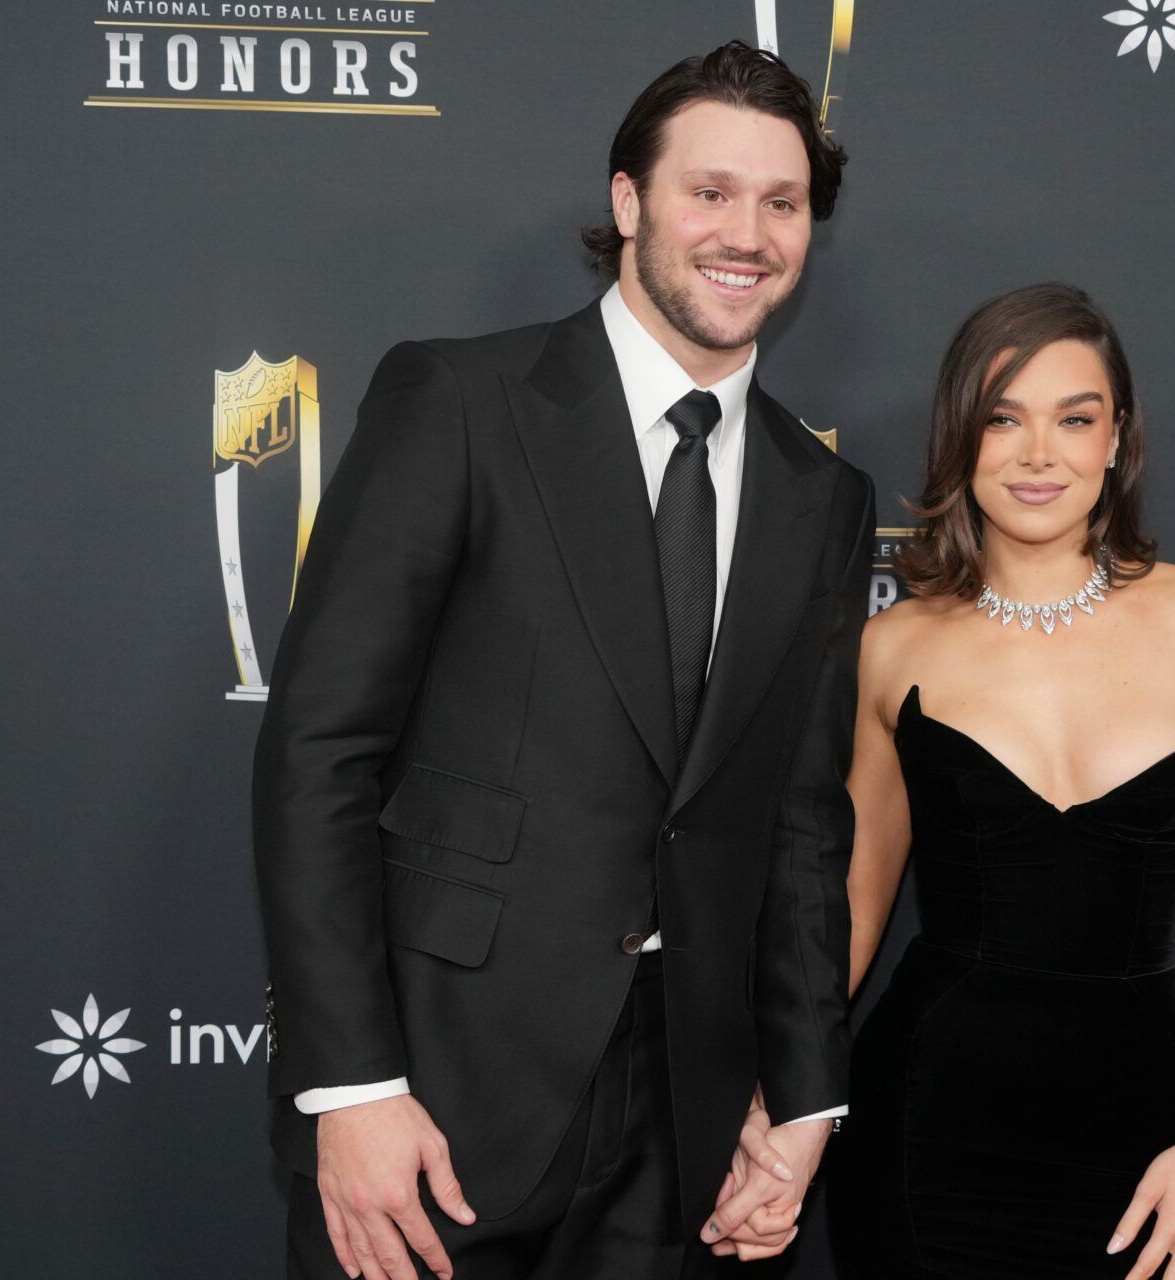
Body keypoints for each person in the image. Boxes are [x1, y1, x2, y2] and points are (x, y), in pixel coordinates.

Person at [252, 41, 874, 1280]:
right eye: (709, 191)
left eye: (782, 201)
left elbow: (803, 822)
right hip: (436, 1093)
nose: (746, 231)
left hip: (688, 1128)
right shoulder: (462, 402)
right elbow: (320, 750)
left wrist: (802, 1104)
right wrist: (352, 1086)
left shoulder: (824, 495)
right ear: (629, 201)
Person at [825, 283, 1175, 1279]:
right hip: (928, 1120)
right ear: (959, 439)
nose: (1039, 454)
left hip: (1142, 1125)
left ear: (1117, 440)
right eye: (1003, 418)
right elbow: (852, 906)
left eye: (1075, 419)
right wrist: (777, 1099)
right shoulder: (892, 646)